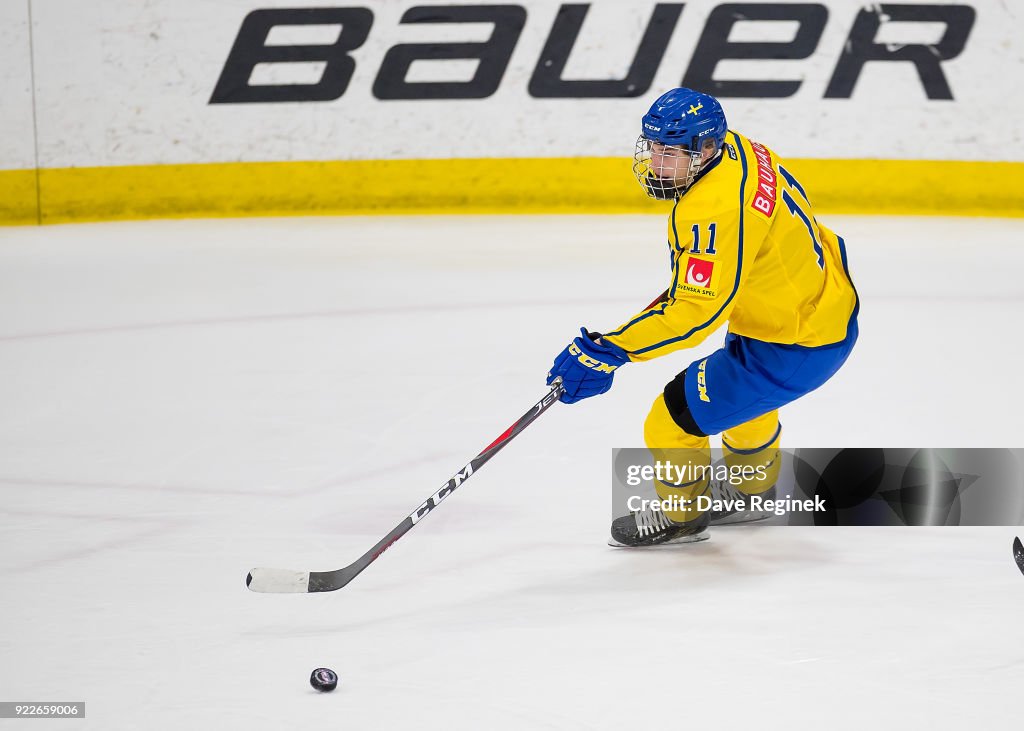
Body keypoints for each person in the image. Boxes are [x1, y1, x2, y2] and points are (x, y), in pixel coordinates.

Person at [546, 88, 859, 547]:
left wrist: (609, 350)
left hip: (795, 344)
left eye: (671, 153)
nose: (656, 162)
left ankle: (681, 516)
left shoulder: (712, 209)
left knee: (671, 419)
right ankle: (753, 491)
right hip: (815, 310)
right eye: (652, 147)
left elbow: (695, 315)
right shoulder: (742, 148)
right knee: (742, 407)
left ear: (707, 148)